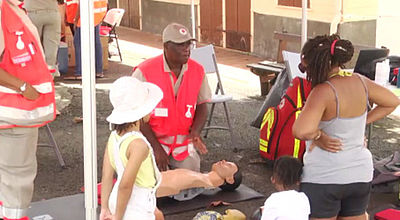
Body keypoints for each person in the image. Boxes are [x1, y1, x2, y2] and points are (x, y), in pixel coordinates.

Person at [292, 34, 400, 220]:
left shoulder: (322, 92)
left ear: (316, 64)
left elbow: (301, 130)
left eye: (305, 67)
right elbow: (392, 101)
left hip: (325, 177)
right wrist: (362, 121)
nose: (305, 72)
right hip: (360, 174)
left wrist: (319, 135)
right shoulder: (360, 81)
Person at [0, 0, 56, 219]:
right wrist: (23, 87)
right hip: (15, 114)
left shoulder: (12, 9)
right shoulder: (4, 10)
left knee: (10, 177)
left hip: (14, 112)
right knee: (17, 176)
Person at [132, 23, 212, 176]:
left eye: (188, 43)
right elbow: (134, 116)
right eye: (180, 45)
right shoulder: (144, 71)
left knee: (191, 178)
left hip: (182, 143)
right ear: (166, 46)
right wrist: (156, 148)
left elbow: (202, 105)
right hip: (150, 141)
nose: (186, 48)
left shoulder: (198, 70)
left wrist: (195, 132)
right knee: (152, 185)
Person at [100, 76, 163, 220]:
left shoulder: (114, 136)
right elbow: (126, 184)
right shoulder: (139, 144)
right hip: (137, 206)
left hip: (115, 200)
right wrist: (118, 217)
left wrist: (105, 207)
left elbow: (107, 175)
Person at [64, 0, 106, 80]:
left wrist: (76, 19)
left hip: (86, 16)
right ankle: (98, 70)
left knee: (78, 42)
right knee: (96, 42)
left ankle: (80, 72)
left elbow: (82, 4)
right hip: (97, 14)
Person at [259, 156, 310, 220]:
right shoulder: (303, 198)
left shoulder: (273, 200)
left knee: (257, 215)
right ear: (298, 181)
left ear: (273, 179)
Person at [24, 0, 61, 77]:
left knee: (33, 45)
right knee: (52, 46)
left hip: (33, 12)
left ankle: (35, 73)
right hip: (53, 11)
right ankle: (50, 73)